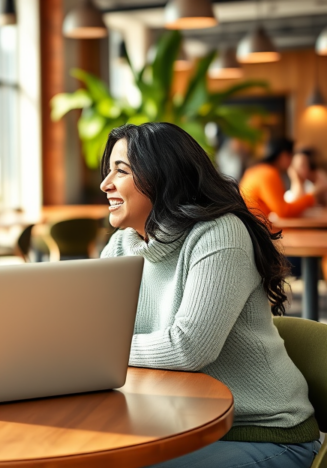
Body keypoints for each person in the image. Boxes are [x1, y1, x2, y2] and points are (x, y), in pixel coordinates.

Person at [99, 122, 320, 468]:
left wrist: (93, 351)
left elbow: (188, 347)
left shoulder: (219, 233)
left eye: (121, 171)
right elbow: (96, 335)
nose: (105, 184)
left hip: (259, 431)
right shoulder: (120, 246)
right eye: (107, 171)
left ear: (161, 175)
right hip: (174, 424)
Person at [239, 137, 327, 219]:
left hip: (252, 225)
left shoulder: (257, 170)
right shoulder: (268, 173)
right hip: (256, 228)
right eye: (291, 156)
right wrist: (312, 196)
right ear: (284, 156)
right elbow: (283, 212)